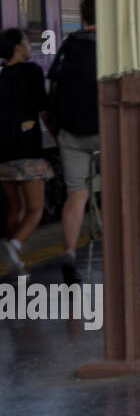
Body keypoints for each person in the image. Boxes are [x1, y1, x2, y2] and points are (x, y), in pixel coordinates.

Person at [47, 0, 99, 283]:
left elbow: (53, 89)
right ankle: (124, 245)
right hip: (104, 132)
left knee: (76, 193)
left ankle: (69, 252)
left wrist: (57, 130)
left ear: (82, 16)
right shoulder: (109, 47)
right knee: (120, 187)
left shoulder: (68, 45)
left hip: (69, 133)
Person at [0, 28, 53, 276]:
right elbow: (43, 110)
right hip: (29, 150)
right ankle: (15, 245)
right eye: (26, 42)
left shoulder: (1, 75)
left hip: (4, 153)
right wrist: (56, 133)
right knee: (35, 210)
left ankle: (17, 264)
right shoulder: (32, 72)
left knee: (15, 209)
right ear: (17, 47)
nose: (30, 46)